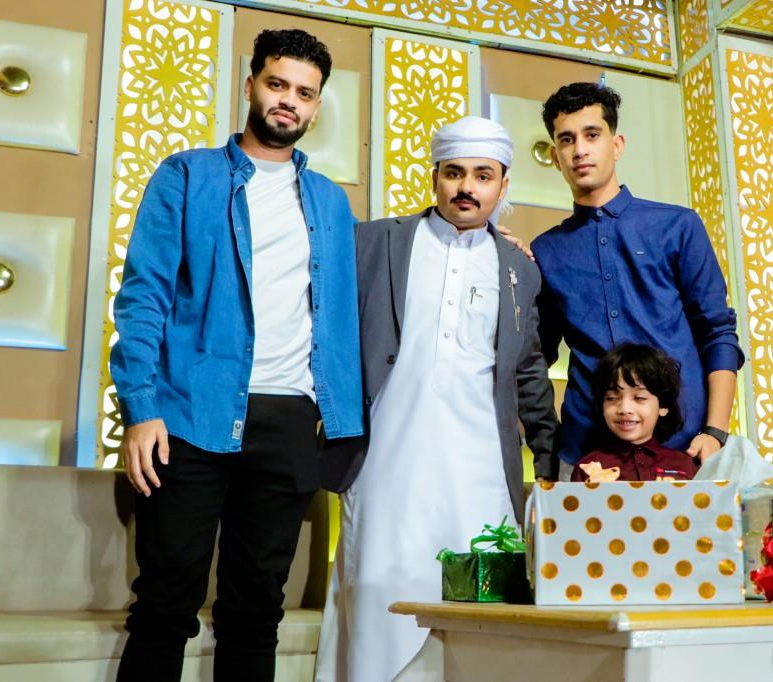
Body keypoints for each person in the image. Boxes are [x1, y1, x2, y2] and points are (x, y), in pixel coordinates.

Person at [110, 29, 362, 682]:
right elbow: (143, 296)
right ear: (251, 85)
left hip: (288, 422)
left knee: (257, 611)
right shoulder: (186, 175)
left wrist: (490, 235)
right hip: (189, 415)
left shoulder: (331, 201)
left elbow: (389, 261)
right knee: (165, 603)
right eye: (277, 84)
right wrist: (140, 408)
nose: (289, 101)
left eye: (304, 92)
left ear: (316, 106)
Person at [316, 116, 559, 682]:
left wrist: (548, 462)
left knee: (480, 614)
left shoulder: (520, 269)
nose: (466, 187)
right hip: (385, 463)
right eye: (454, 173)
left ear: (503, 186)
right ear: (435, 177)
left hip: (480, 471)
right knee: (378, 596)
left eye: (483, 176)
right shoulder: (374, 242)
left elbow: (529, 371)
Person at [531, 81, 744, 475]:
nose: (579, 150)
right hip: (585, 452)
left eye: (592, 135)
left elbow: (717, 332)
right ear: (556, 156)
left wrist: (715, 431)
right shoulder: (546, 251)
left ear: (617, 145)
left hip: (686, 446)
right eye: (566, 139)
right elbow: (535, 356)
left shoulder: (677, 226)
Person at [571, 343, 696, 482]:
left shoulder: (683, 464)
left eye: (639, 398)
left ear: (663, 406)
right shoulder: (587, 468)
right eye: (612, 398)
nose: (624, 409)